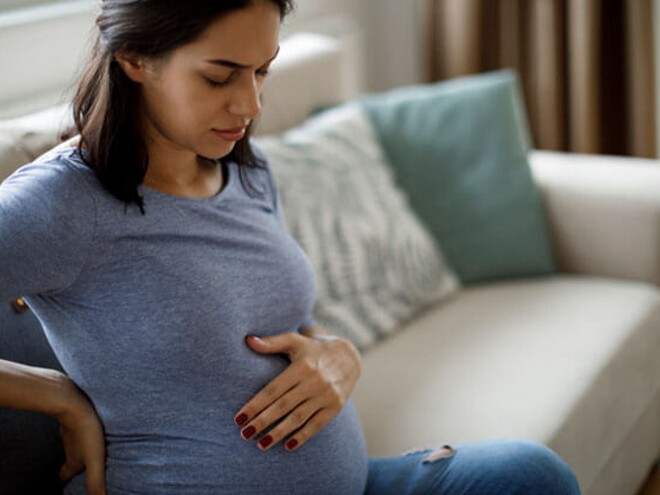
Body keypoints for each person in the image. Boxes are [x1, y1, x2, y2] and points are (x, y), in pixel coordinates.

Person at [0, 1, 582, 494]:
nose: (250, 105)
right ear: (134, 59)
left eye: (262, 72)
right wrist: (57, 397)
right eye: (219, 76)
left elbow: (292, 323)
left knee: (532, 474)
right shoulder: (61, 202)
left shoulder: (246, 171)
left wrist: (336, 353)